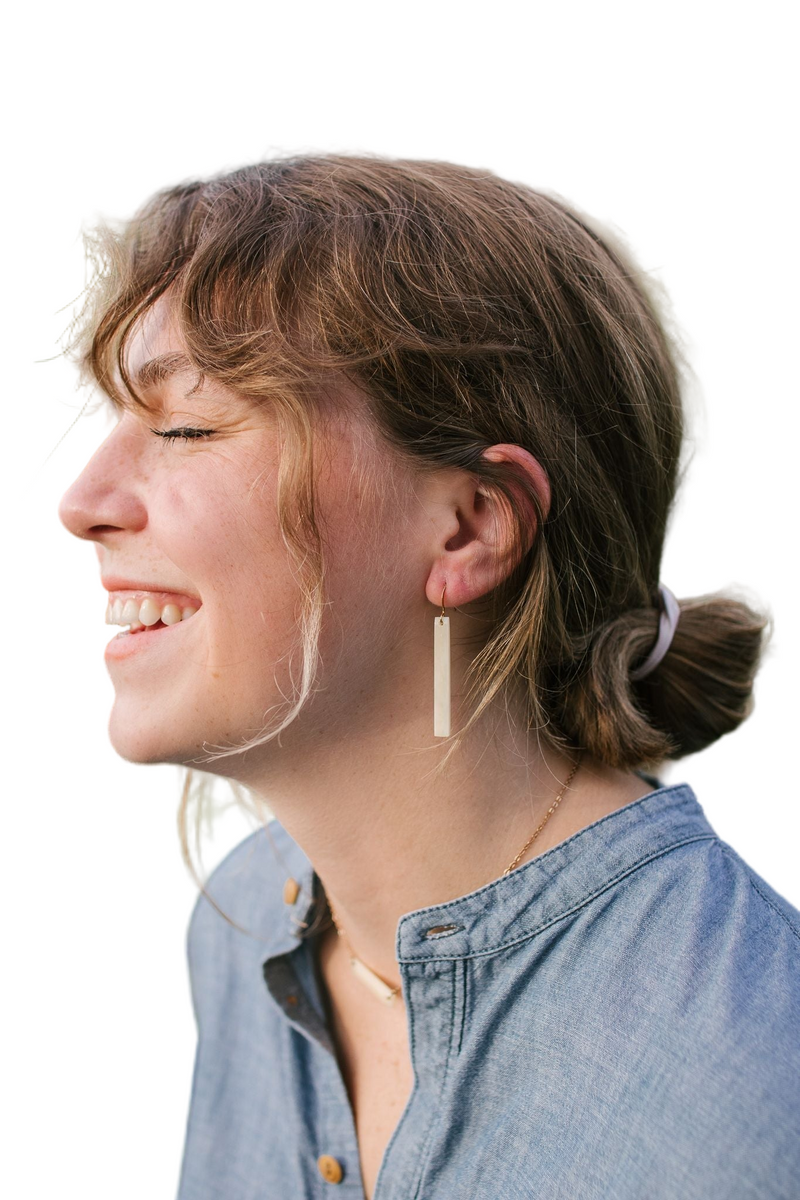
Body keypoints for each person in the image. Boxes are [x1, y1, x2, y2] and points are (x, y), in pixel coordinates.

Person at [57, 154, 800, 1200]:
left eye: (186, 426)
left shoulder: (755, 1091)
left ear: (467, 527)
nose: (83, 501)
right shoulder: (242, 931)